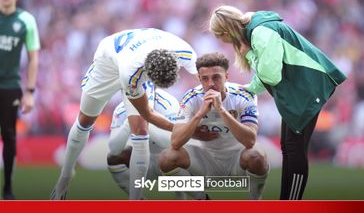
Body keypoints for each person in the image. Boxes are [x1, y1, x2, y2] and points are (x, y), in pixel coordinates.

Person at [50, 28, 208, 200]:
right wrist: (185, 128)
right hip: (109, 62)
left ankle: (135, 201)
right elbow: (148, 114)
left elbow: (206, 86)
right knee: (85, 121)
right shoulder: (131, 73)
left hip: (138, 57)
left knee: (140, 131)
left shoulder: (185, 52)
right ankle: (65, 175)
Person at [208, 5, 347, 200]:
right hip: (302, 89)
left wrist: (248, 54)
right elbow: (266, 75)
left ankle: (290, 203)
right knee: (289, 147)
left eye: (218, 36)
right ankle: (287, 201)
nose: (220, 41)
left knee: (294, 148)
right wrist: (247, 88)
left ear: (225, 31)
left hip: (307, 89)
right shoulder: (257, 30)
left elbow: (271, 75)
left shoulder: (260, 33)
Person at [158, 52, 269, 200]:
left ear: (226, 77)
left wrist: (221, 110)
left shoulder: (244, 95)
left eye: (216, 77)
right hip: (205, 160)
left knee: (257, 156)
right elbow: (175, 142)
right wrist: (200, 114)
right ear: (199, 79)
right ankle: (202, 200)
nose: (210, 84)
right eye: (205, 79)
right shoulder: (191, 98)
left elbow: (250, 140)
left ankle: (255, 201)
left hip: (237, 158)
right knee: (166, 158)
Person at [107, 81, 185, 199]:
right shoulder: (121, 109)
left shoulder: (168, 103)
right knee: (114, 159)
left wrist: (145, 121)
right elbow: (114, 149)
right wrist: (130, 122)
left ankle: (190, 198)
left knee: (176, 154)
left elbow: (171, 142)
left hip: (172, 163)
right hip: (145, 163)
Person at [0, 0, 40, 200]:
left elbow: (34, 58)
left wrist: (30, 91)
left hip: (10, 86)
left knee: (9, 135)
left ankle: (7, 189)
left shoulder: (26, 20)